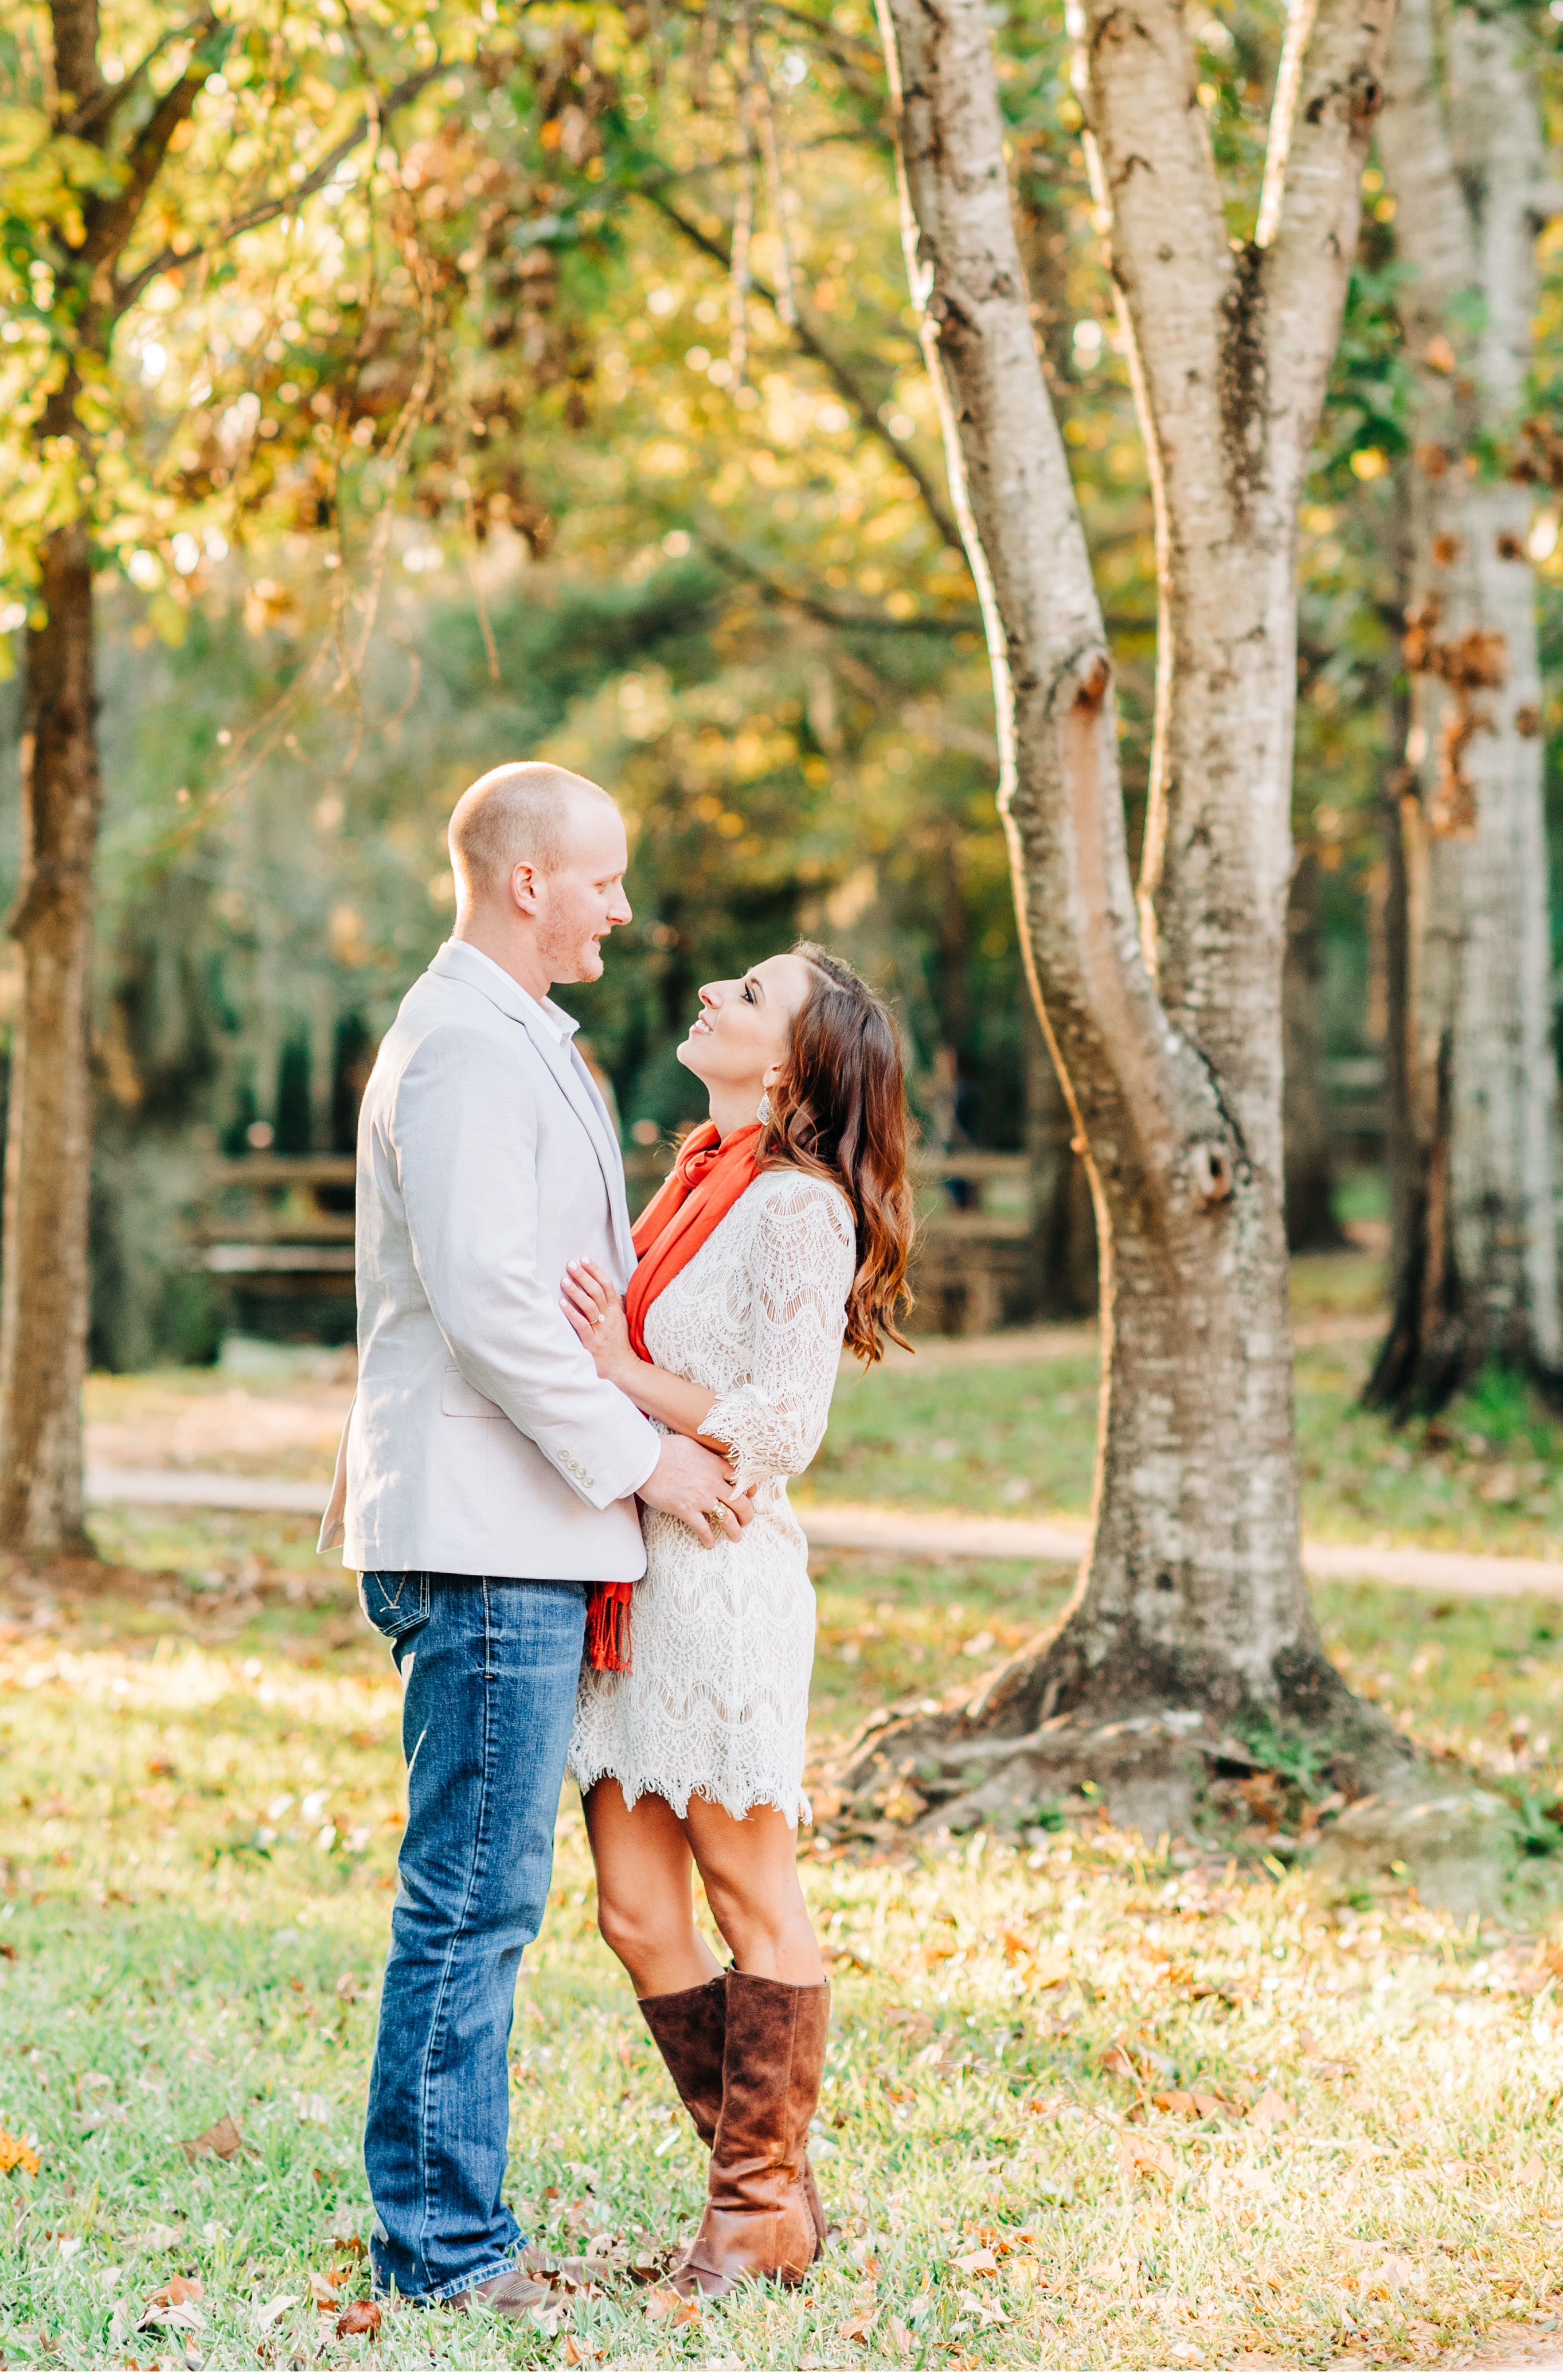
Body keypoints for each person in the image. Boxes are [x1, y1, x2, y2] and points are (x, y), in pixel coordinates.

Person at [322, 761, 749, 2318]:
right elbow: (498, 1310)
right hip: (488, 1529)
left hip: (528, 1528)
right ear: (526, 883)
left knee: (482, 1887)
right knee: (472, 1894)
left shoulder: (515, 1042)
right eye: (604, 882)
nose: (621, 912)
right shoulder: (458, 1053)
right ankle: (441, 2252)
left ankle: (444, 2232)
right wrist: (644, 1460)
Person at [561, 943, 914, 2300]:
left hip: (717, 1584)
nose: (715, 989)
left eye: (751, 993)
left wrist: (620, 1372)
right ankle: (773, 2202)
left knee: (746, 1888)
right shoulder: (691, 1188)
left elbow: (786, 1423)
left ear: (789, 1064)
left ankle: (754, 2207)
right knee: (637, 1912)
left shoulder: (794, 1209)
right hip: (633, 1577)